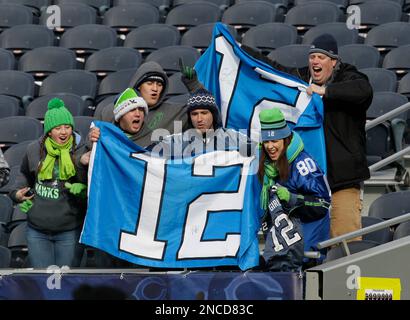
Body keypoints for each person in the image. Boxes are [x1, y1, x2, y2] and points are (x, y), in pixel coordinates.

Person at [243, 33, 373, 240]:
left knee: (344, 244)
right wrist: (240, 48)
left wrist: (325, 91)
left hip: (342, 181)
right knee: (304, 250)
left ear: (334, 61)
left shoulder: (350, 77)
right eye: (312, 56)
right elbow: (272, 70)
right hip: (306, 185)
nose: (315, 61)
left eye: (321, 57)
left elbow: (363, 90)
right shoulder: (301, 80)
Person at [9, 98, 87, 268]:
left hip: (70, 231)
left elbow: (90, 188)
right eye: (58, 128)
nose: (64, 132)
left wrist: (82, 179)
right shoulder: (33, 149)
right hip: (37, 231)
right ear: (49, 131)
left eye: (67, 127)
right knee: (43, 285)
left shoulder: (82, 151)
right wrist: (17, 194)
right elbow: (23, 176)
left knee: (66, 285)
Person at [258, 108, 331, 271]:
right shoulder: (266, 165)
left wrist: (292, 198)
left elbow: (324, 204)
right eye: (266, 142)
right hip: (281, 250)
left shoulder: (302, 163)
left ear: (285, 139)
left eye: (275, 140)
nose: (270, 146)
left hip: (305, 251)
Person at [99, 61, 189, 147]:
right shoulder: (111, 110)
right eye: (149, 83)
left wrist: (194, 84)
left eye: (159, 85)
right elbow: (90, 145)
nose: (155, 88)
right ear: (138, 86)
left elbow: (201, 113)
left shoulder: (175, 112)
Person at [149, 87, 254, 159]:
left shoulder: (234, 138)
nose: (199, 119)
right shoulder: (175, 141)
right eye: (194, 114)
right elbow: (143, 155)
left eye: (204, 113)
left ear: (213, 115)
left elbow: (260, 153)